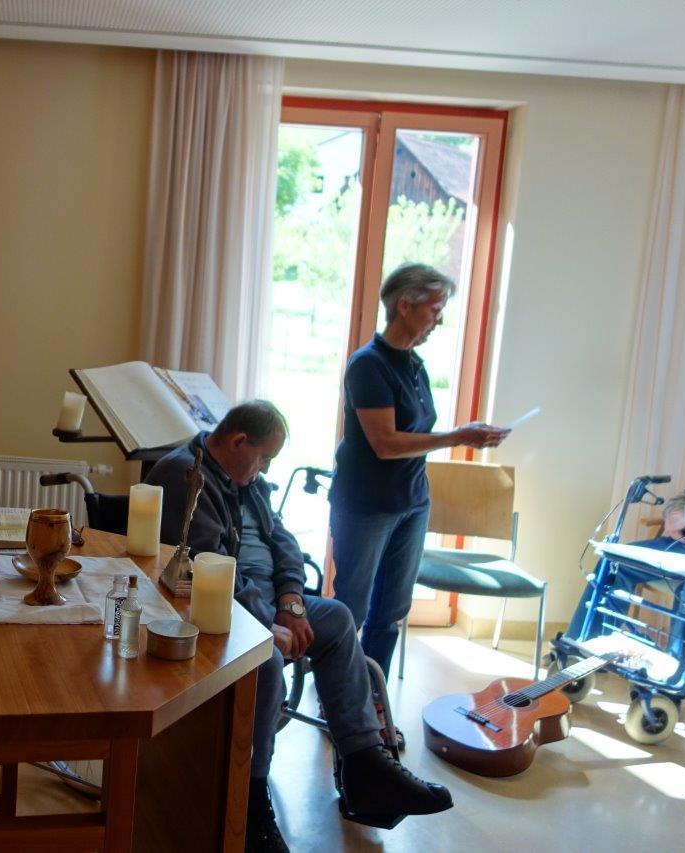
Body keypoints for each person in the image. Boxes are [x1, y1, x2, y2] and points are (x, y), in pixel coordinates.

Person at [147, 401, 452, 853]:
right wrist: (265, 619)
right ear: (238, 442)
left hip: (268, 603)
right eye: (264, 457)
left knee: (338, 618)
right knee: (265, 659)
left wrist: (291, 601)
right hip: (217, 606)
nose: (266, 468)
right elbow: (205, 562)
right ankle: (249, 800)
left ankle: (366, 769)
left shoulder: (247, 480)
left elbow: (283, 541)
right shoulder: (185, 474)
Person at [329, 263, 507, 681]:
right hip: (366, 505)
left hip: (411, 502)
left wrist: (462, 435)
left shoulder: (415, 365)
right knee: (351, 608)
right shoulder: (368, 365)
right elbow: (385, 443)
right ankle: (337, 697)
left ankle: (373, 697)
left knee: (390, 611)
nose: (439, 320)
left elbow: (415, 433)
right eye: (435, 308)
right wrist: (458, 437)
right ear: (405, 306)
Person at [565, 451, 685, 660]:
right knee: (614, 563)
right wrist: (673, 513)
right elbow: (684, 496)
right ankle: (581, 648)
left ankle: (677, 669)